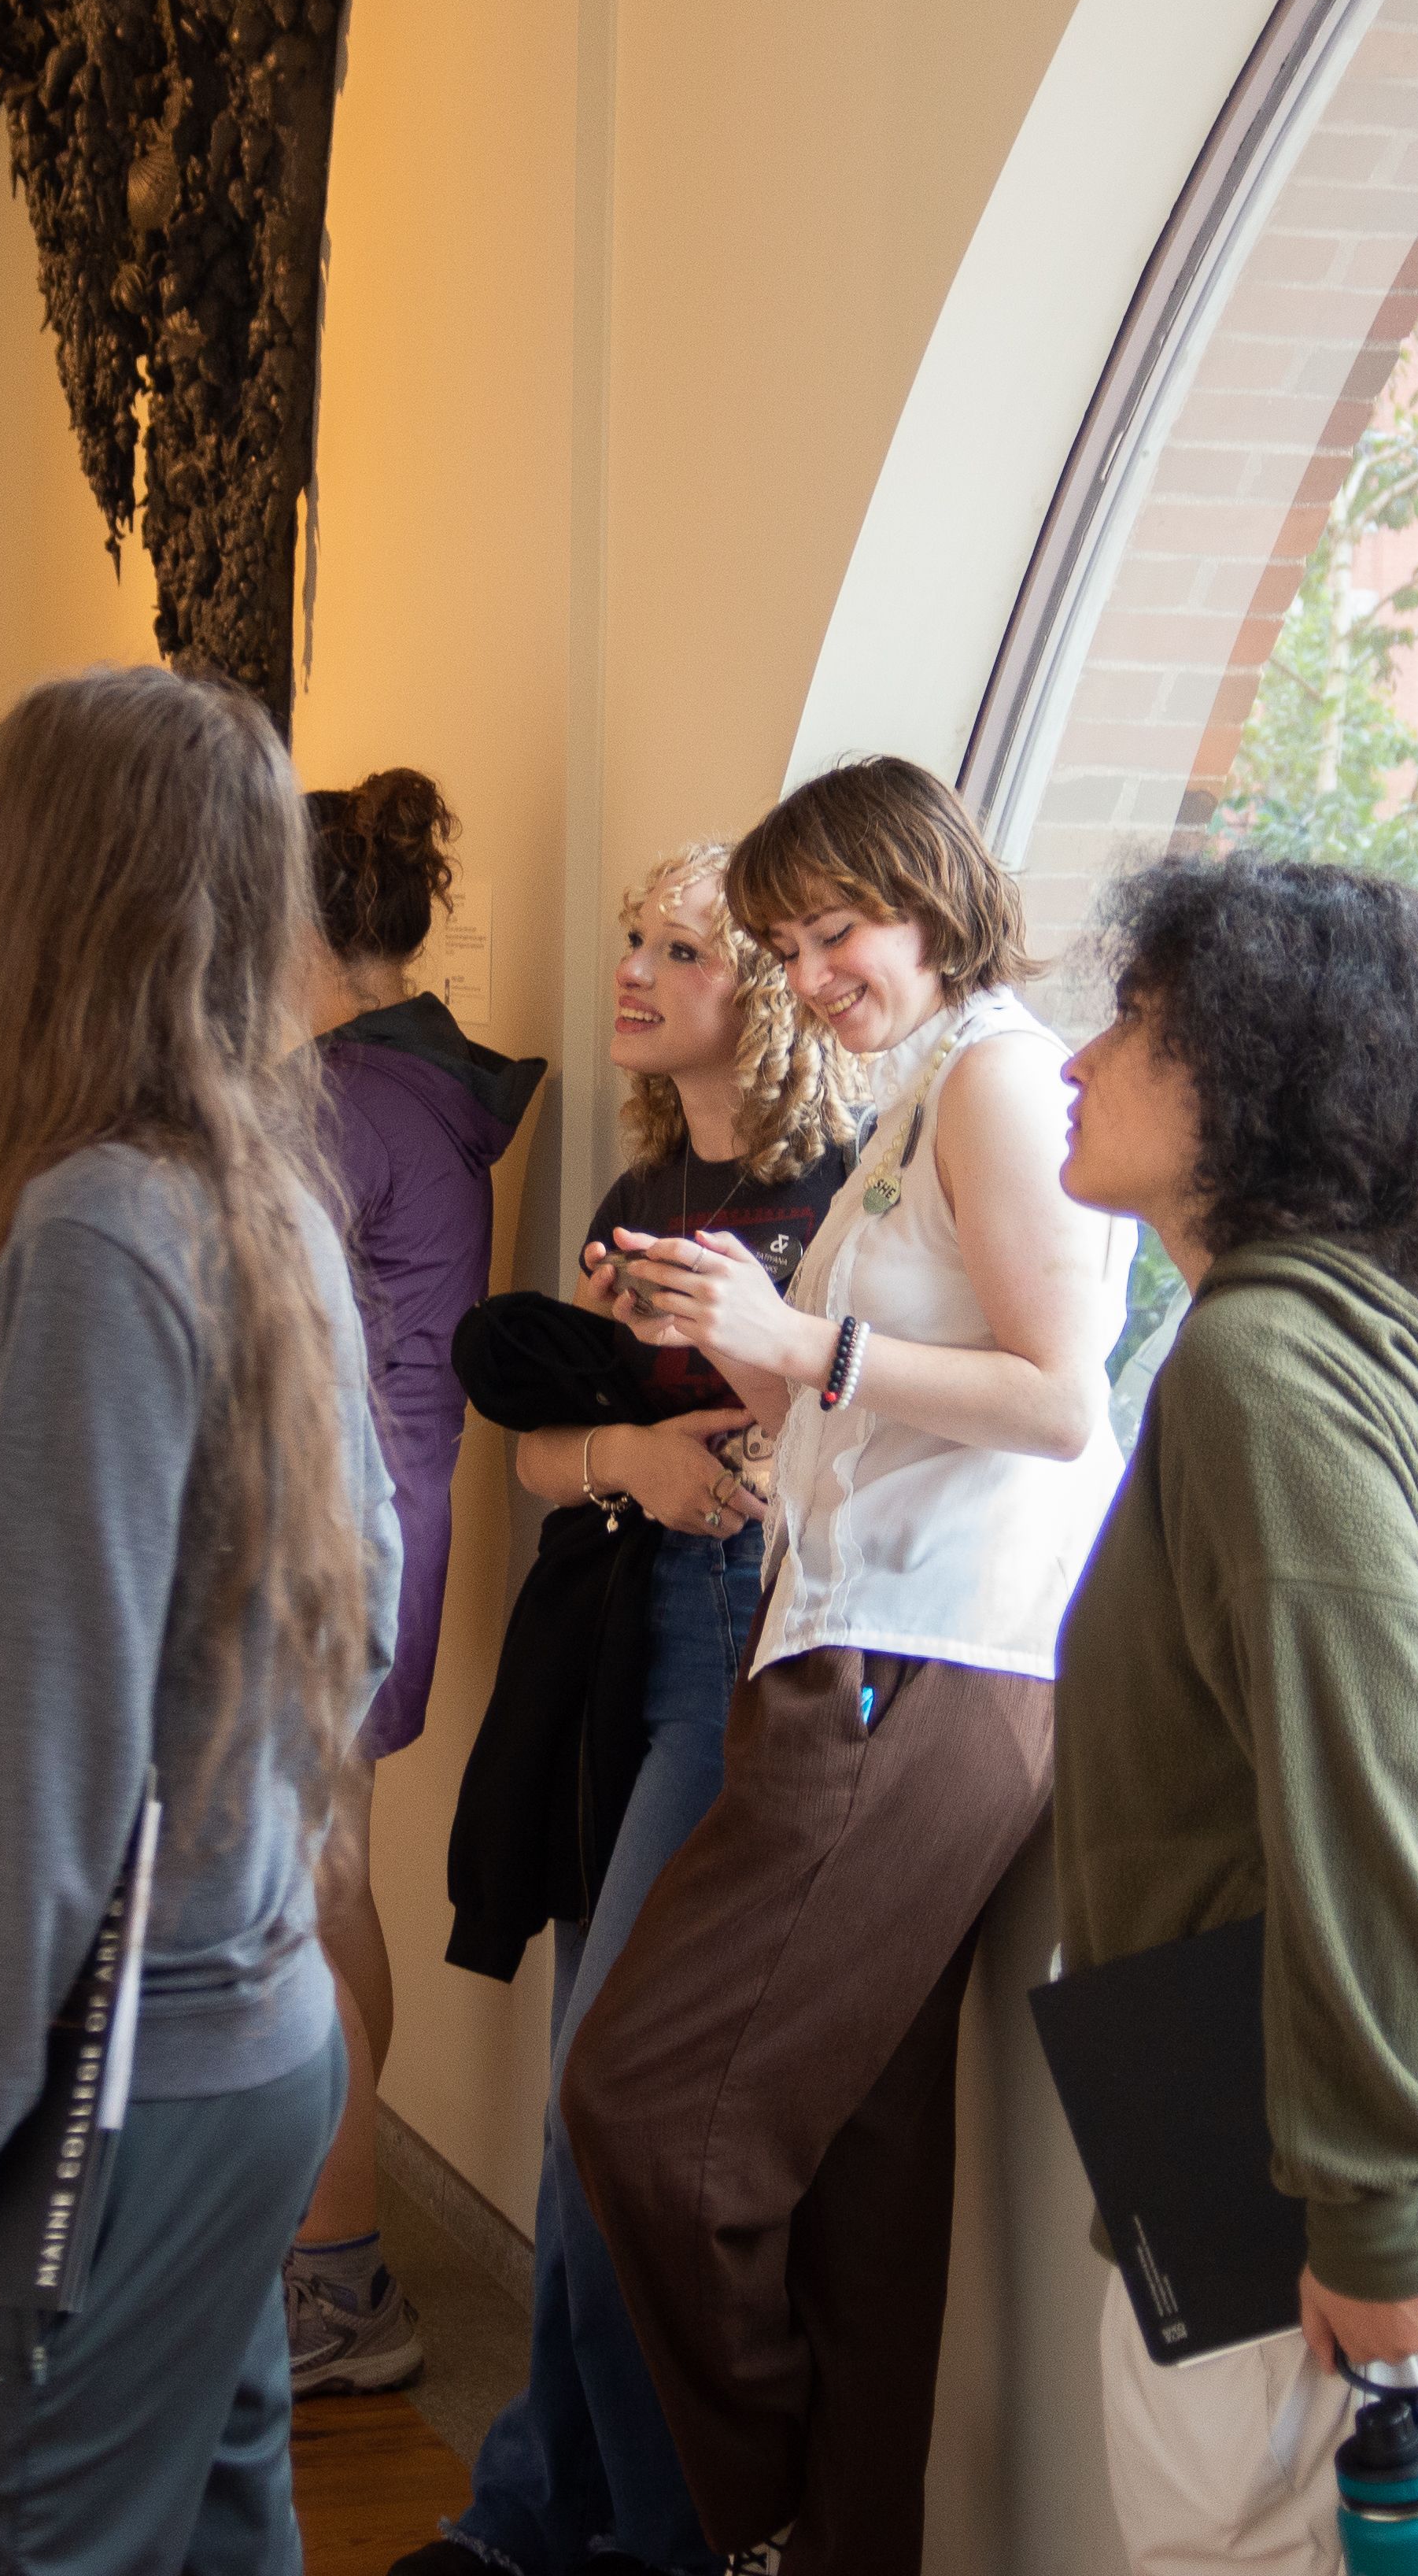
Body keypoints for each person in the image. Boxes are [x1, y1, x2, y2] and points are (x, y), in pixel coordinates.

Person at [0, 663, 400, 2576]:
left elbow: (34, 1761)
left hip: (121, 2084)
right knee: (215, 2531)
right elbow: (353, 1617)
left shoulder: (94, 1228)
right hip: (254, 2040)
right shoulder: (259, 1202)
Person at [1047, 852, 1418, 2576]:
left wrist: (1370, 2215)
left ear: (1254, 1074)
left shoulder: (1259, 1368)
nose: (1076, 1064)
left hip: (1307, 2219)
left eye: (1132, 1021)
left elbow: (1364, 1795)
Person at [559, 756, 1131, 2576]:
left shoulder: (993, 1075)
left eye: (837, 930)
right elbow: (844, 1398)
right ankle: (833, 2539)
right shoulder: (926, 1090)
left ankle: (764, 2506)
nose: (811, 973)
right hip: (861, 1647)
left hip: (915, 1667)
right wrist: (713, 1324)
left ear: (935, 896)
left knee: (641, 2109)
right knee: (864, 2191)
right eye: (785, 943)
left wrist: (798, 1331)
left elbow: (1059, 1401)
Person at [401, 847, 864, 2576]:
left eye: (682, 948)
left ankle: (652, 2536)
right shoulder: (649, 1182)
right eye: (632, 941)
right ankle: (542, 2508)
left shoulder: (834, 1194)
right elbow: (537, 1454)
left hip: (739, 1655)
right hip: (613, 1630)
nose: (635, 971)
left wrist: (721, 1451)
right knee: (570, 2101)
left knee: (618, 2100)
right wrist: (633, 1458)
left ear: (761, 987)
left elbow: (839, 1442)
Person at [291, 768, 548, 2399]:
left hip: (326, 1547)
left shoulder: (335, 1102)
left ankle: (337, 2276)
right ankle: (333, 2243)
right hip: (379, 1527)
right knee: (326, 1890)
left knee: (300, 1907)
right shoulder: (402, 1086)